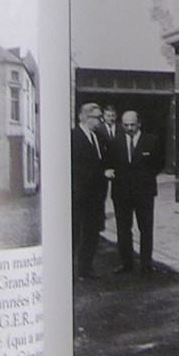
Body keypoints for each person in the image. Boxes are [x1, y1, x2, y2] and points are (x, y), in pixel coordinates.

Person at [110, 110, 162, 275]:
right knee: (123, 228)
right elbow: (109, 161)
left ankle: (146, 263)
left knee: (146, 228)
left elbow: (159, 163)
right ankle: (126, 263)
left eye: (133, 124)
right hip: (121, 192)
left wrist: (145, 177)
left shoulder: (151, 140)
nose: (130, 128)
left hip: (144, 192)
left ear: (139, 124)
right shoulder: (115, 141)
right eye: (126, 125)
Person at [71, 102, 109, 281]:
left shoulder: (97, 137)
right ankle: (73, 270)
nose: (100, 121)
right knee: (78, 232)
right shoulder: (74, 137)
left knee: (92, 231)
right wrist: (102, 172)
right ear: (85, 117)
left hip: (96, 195)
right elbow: (79, 167)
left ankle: (86, 269)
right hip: (81, 194)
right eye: (97, 117)